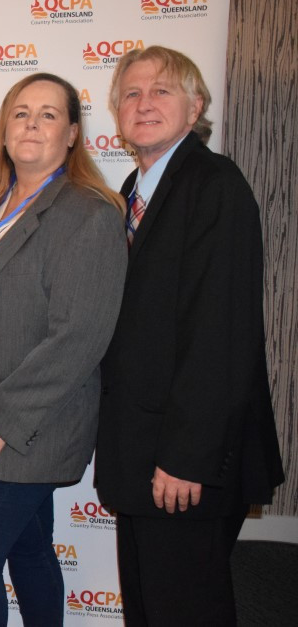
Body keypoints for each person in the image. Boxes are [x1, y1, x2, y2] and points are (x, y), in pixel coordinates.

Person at [96, 45, 284, 626]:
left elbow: (220, 334)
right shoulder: (134, 188)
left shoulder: (213, 185)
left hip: (183, 467)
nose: (144, 103)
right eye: (131, 93)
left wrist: (186, 458)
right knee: (149, 612)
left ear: (195, 105)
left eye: (161, 91)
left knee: (185, 612)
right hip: (142, 457)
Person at [0, 73, 127, 626]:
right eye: (21, 112)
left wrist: (0, 419)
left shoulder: (89, 214)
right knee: (27, 551)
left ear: (72, 134)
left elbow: (80, 337)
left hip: (17, 428)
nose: (31, 123)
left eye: (48, 115)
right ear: (3, 129)